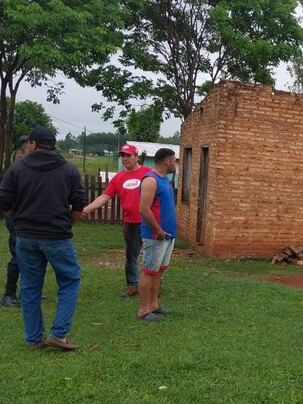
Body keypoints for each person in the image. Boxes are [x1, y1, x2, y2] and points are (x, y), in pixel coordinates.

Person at [0, 126, 85, 350]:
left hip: (25, 237)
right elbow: (78, 206)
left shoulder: (17, 168)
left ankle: (33, 339)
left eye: (28, 142)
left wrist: (18, 220)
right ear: (52, 145)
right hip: (58, 237)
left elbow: (4, 201)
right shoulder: (68, 169)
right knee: (69, 281)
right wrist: (67, 224)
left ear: (33, 144)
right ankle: (58, 334)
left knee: (30, 287)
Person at [82, 144, 151, 298]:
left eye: (128, 155)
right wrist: (87, 209)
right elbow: (104, 197)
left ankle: (154, 285)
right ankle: (132, 285)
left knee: (152, 254)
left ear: (136, 157)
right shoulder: (118, 178)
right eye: (123, 156)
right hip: (130, 222)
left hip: (149, 221)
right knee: (131, 256)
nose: (125, 158)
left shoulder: (148, 173)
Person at [137, 148, 177, 322]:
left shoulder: (165, 180)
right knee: (148, 271)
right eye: (174, 161)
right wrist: (158, 230)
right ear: (167, 161)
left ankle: (154, 305)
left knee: (158, 271)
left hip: (168, 236)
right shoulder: (150, 180)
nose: (175, 164)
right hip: (155, 236)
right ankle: (143, 310)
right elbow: (144, 209)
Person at [0, 135, 29, 308]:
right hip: (16, 218)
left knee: (31, 256)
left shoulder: (30, 167)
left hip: (28, 218)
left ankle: (27, 291)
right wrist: (12, 214)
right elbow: (4, 196)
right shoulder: (16, 169)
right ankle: (8, 294)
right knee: (18, 255)